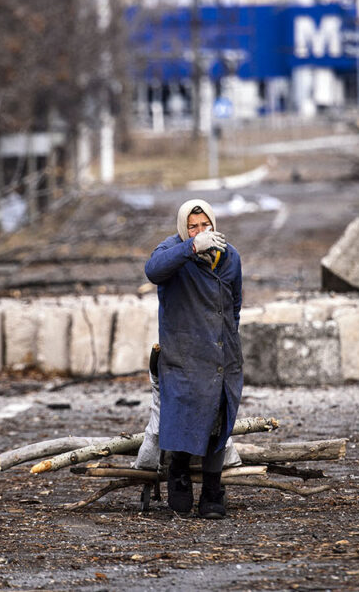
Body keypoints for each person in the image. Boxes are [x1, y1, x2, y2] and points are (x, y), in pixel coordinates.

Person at [144, 198, 243, 518]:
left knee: (218, 420)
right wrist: (191, 248)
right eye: (193, 227)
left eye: (205, 226)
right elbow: (153, 271)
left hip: (221, 353)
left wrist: (226, 341)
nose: (201, 232)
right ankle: (179, 475)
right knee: (182, 415)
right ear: (184, 229)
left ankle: (213, 490)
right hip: (184, 354)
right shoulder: (171, 252)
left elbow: (235, 305)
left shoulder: (230, 257)